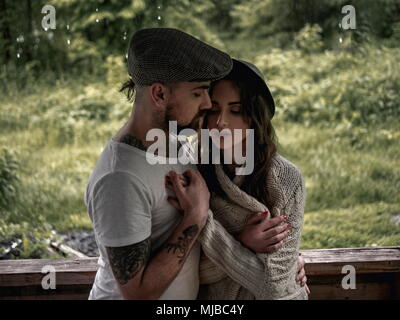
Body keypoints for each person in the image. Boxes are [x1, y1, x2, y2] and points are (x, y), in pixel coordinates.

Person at [85, 27, 307, 300]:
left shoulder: (178, 147)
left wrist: (276, 257)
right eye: (198, 93)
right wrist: (197, 215)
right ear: (159, 95)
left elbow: (208, 256)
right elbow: (137, 295)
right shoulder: (119, 177)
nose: (207, 103)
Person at [165, 59, 310, 299]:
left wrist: (204, 220)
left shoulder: (286, 179)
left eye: (235, 110)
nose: (221, 122)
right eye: (214, 111)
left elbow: (276, 287)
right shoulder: (195, 175)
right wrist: (245, 244)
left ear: (254, 116)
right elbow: (188, 272)